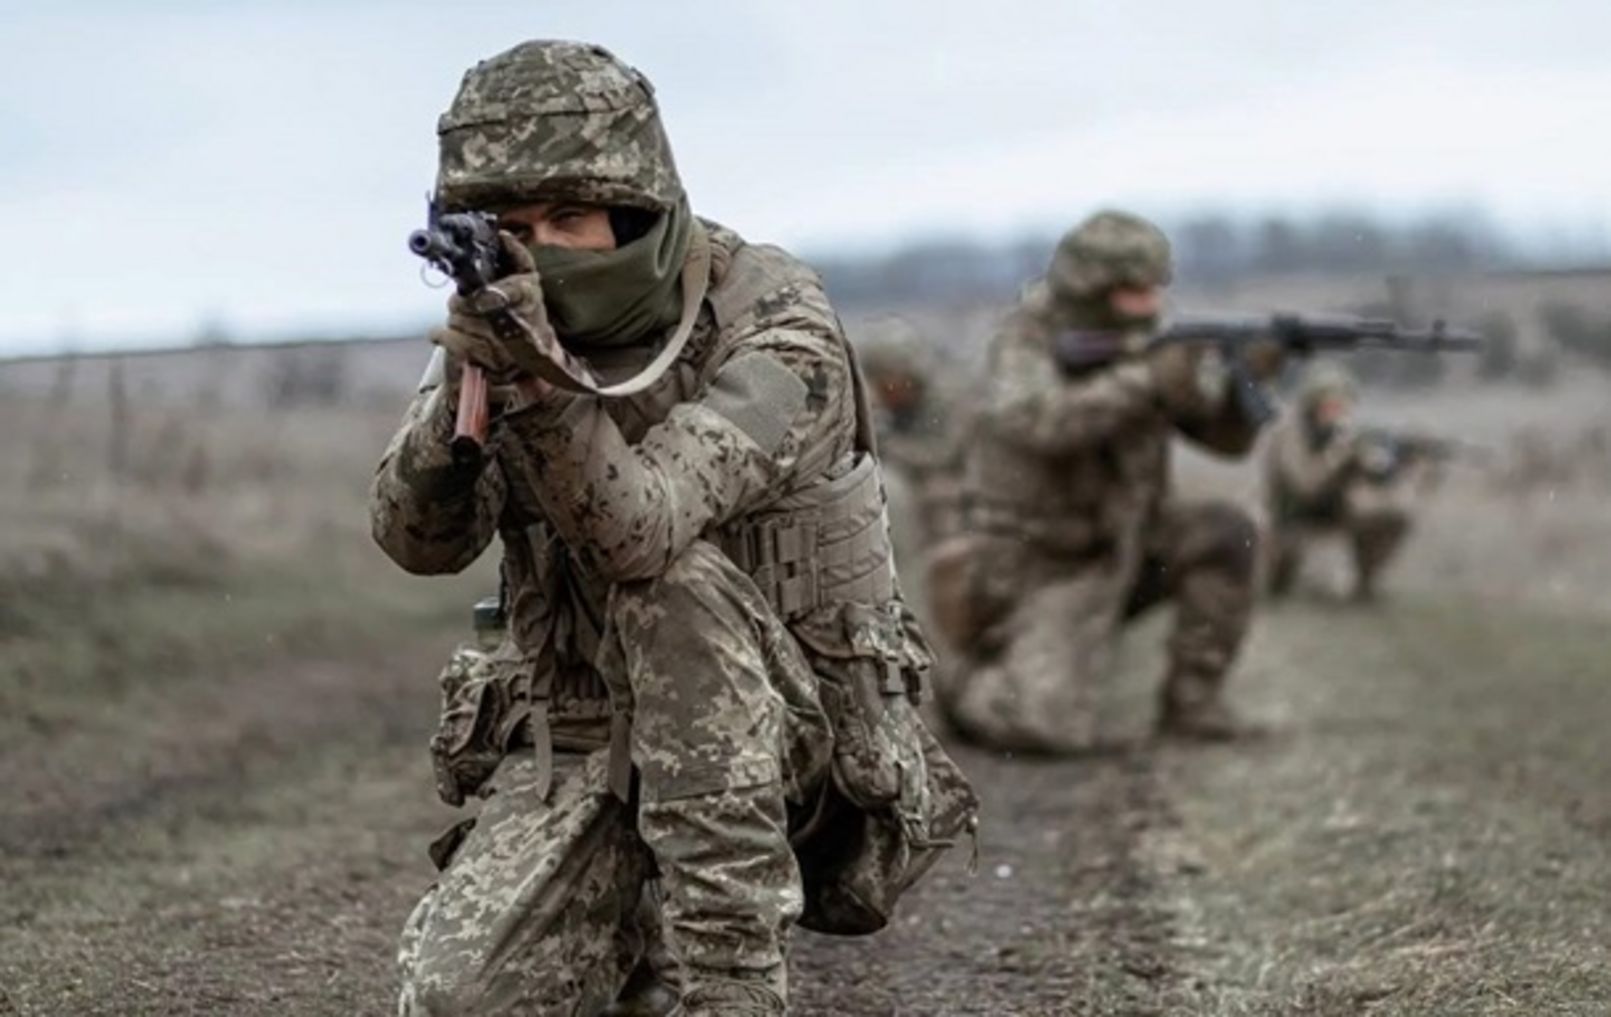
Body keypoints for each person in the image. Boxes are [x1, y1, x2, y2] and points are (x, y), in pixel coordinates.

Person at [371, 40, 973, 1017]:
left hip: (793, 732)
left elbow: (642, 533)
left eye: (569, 220)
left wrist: (545, 395)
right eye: (514, 229)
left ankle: (732, 986)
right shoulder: (502, 323)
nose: (542, 251)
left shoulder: (773, 318)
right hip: (587, 729)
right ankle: (637, 945)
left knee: (672, 587)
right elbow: (419, 543)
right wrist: (468, 400)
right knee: (461, 1002)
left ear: (639, 211)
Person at [926, 210, 1279, 753]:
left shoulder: (1147, 342)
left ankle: (1194, 703)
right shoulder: (1022, 342)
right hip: (1044, 565)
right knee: (1044, 726)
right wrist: (1146, 381)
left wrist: (1243, 381)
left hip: (1128, 546)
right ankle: (962, 686)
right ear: (1089, 288)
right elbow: (1041, 422)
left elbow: (1224, 442)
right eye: (1134, 293)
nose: (1151, 305)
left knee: (1228, 532)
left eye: (1155, 290)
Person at [1264, 361, 1417, 601]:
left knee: (1393, 514)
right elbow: (1305, 486)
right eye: (1331, 405)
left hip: (1334, 509)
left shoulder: (1344, 433)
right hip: (1290, 515)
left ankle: (1364, 585)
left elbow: (1377, 479)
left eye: (1343, 405)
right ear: (1312, 405)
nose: (1338, 412)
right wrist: (1339, 455)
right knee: (1276, 585)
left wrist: (1391, 461)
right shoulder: (1291, 433)